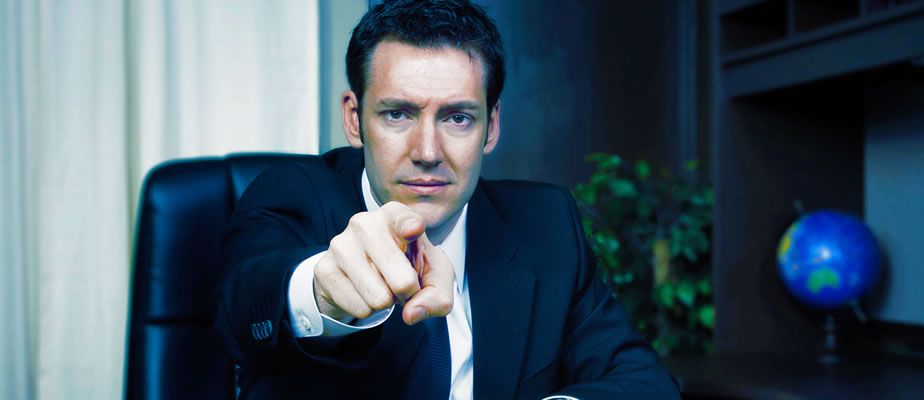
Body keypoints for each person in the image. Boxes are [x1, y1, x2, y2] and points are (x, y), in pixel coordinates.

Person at [215, 0, 680, 398]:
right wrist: (322, 290)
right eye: (397, 114)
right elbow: (245, 306)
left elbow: (644, 383)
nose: (427, 152)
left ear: (491, 127)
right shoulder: (292, 192)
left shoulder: (546, 224)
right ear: (355, 119)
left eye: (457, 118)